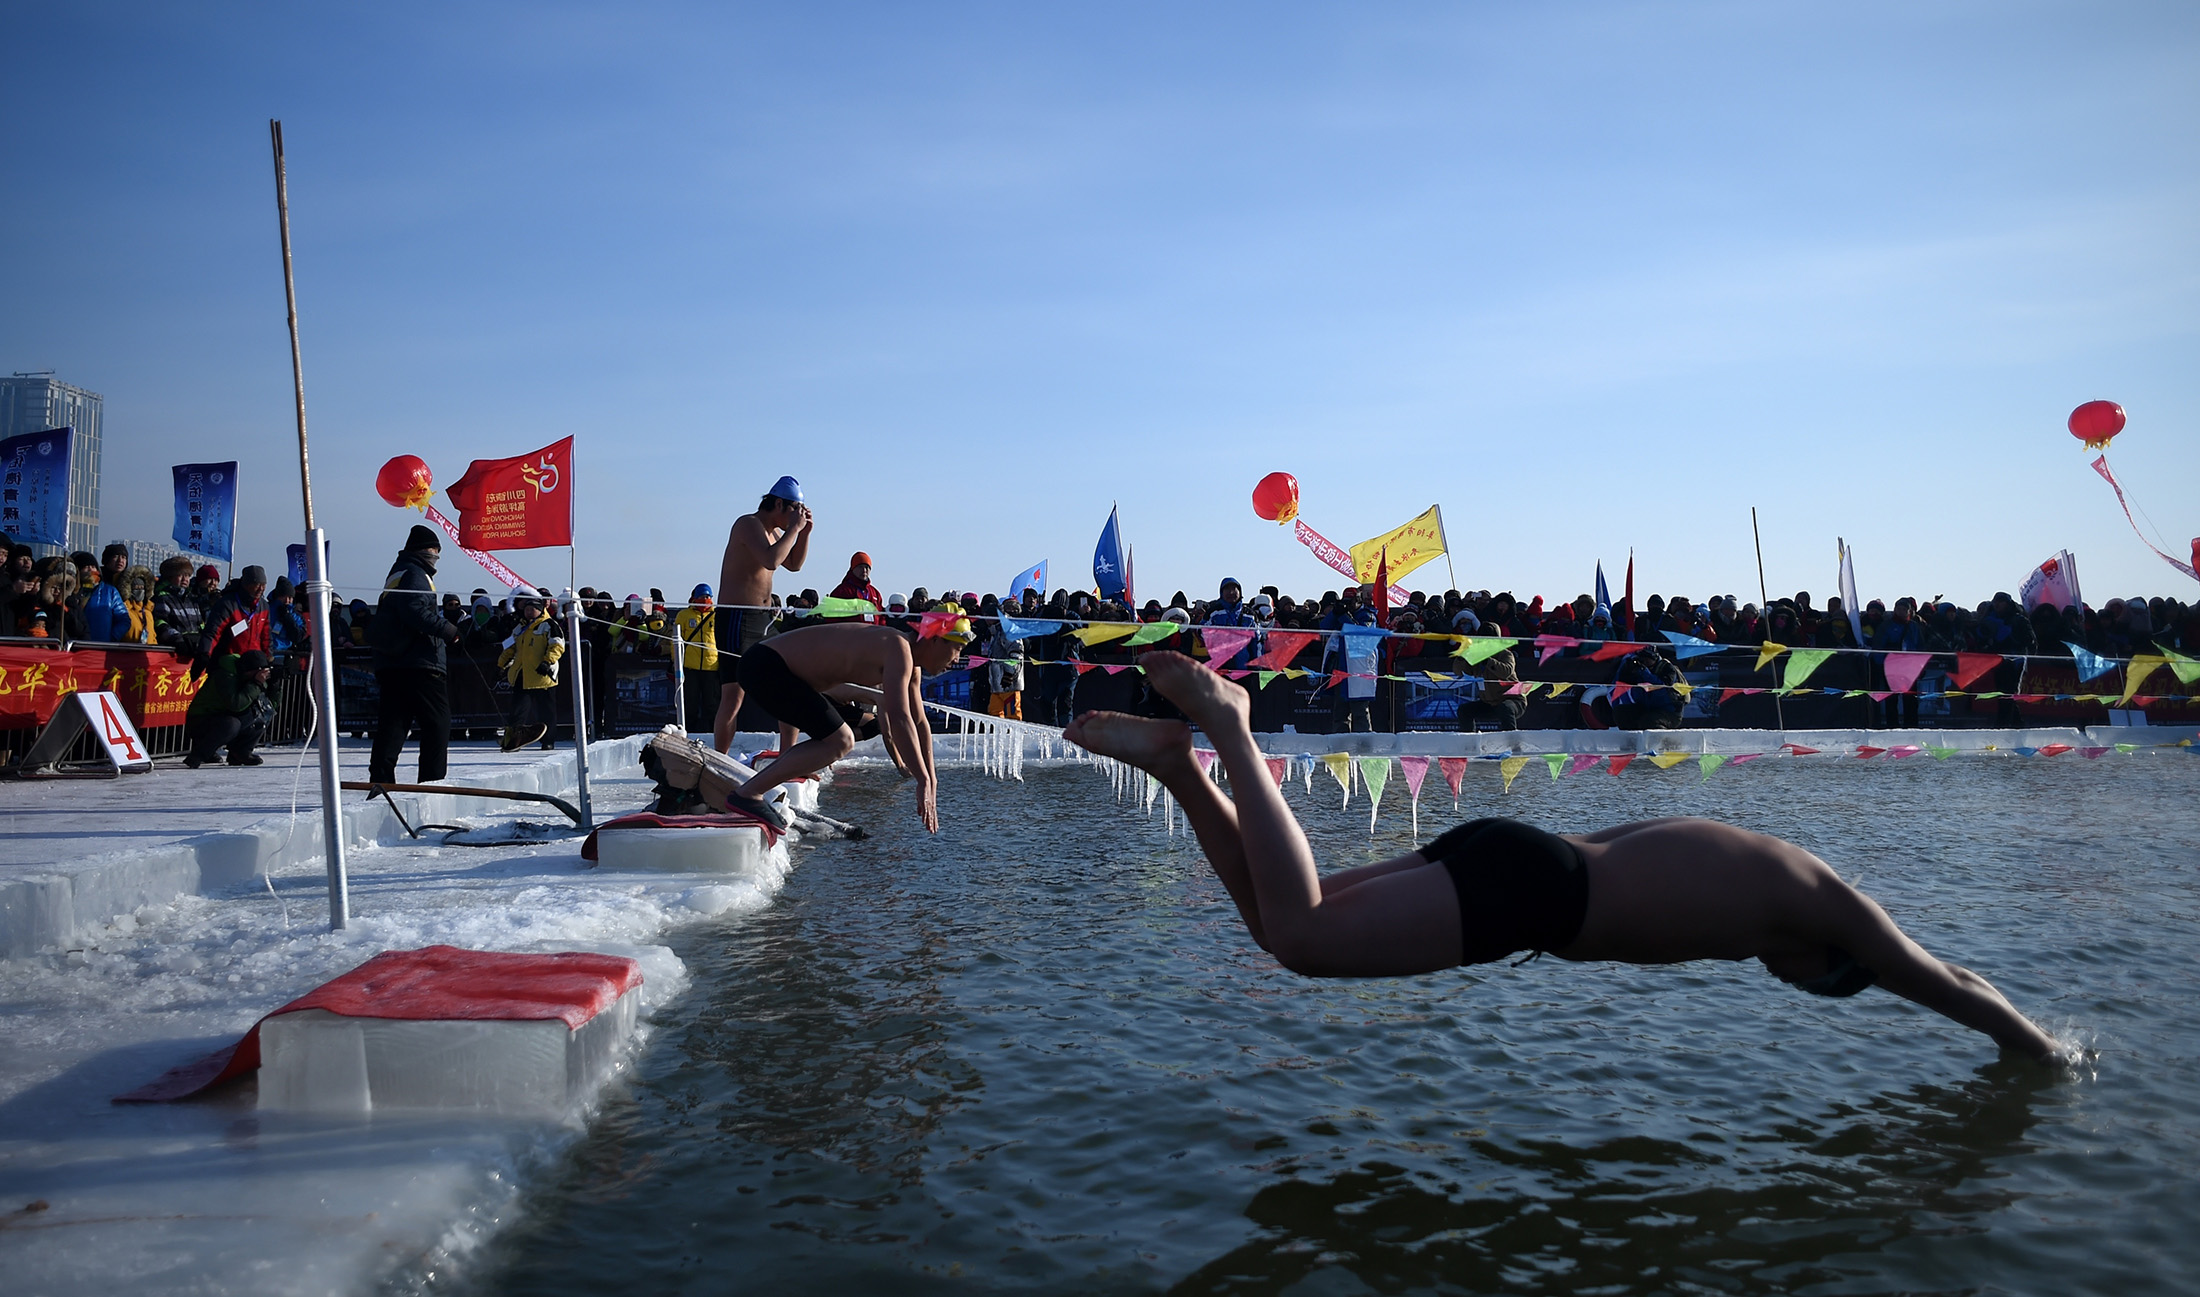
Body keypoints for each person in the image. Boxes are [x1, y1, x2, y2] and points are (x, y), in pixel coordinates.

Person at [1063, 651, 2064, 1061]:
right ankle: (1230, 734)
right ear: (1829, 963)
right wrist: (2038, 1048)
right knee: (1303, 935)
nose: (1784, 975)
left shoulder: (1784, 866)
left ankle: (1178, 769)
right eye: (1809, 982)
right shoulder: (1824, 912)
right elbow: (1937, 978)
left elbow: (1946, 966)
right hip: (1534, 891)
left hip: (1522, 858)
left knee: (1286, 922)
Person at [724, 604, 968, 832]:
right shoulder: (899, 648)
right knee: (841, 740)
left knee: (836, 739)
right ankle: (747, 794)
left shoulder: (910, 661)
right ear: (936, 639)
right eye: (957, 649)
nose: (957, 660)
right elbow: (899, 717)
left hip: (778, 670)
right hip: (765, 666)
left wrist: (931, 780)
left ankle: (752, 791)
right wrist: (921, 780)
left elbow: (919, 722)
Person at [713, 476, 814, 752]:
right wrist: (794, 530)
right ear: (778, 503)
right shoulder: (748, 524)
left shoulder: (776, 533)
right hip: (736, 618)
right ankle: (717, 760)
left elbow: (793, 564)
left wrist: (803, 533)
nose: (797, 516)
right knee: (733, 696)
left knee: (789, 681)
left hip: (764, 620)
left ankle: (787, 756)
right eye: (795, 509)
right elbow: (770, 559)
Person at [368, 524, 462, 785]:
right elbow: (413, 611)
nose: (436, 556)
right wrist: (447, 629)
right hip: (419, 662)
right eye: (434, 550)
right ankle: (432, 784)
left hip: (392, 661)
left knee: (394, 725)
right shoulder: (415, 574)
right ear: (423, 551)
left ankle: (381, 782)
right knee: (437, 724)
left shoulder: (398, 572)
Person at [495, 586, 565, 751]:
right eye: (526, 609)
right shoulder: (520, 628)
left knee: (546, 712)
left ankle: (548, 741)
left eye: (532, 609)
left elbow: (557, 645)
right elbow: (510, 649)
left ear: (539, 610)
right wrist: (500, 665)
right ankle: (513, 741)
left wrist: (548, 661)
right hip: (522, 675)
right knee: (517, 712)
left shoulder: (549, 625)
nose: (528, 612)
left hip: (543, 675)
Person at [183, 649, 273, 769]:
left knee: (263, 713)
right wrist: (256, 683)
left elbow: (271, 705)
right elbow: (236, 704)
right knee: (231, 724)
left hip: (222, 715)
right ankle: (197, 756)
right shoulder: (226, 675)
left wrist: (274, 687)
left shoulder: (246, 678)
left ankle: (240, 753)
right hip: (200, 719)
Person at [671, 584, 721, 734]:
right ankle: (689, 733)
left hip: (711, 666)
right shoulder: (684, 615)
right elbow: (676, 640)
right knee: (689, 704)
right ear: (694, 598)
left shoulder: (717, 615)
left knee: (711, 705)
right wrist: (676, 662)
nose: (705, 599)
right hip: (690, 666)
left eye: (708, 597)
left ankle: (712, 734)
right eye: (702, 596)